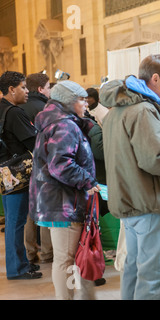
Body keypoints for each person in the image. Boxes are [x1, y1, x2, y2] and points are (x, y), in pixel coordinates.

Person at [100, 54, 160, 300]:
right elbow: (155, 159)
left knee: (133, 270)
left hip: (131, 201)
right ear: (155, 79)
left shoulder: (117, 110)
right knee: (151, 277)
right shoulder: (143, 110)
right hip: (148, 203)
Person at [29, 80, 100, 299]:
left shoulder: (58, 121)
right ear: (68, 102)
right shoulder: (63, 125)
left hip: (55, 201)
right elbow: (61, 165)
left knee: (65, 258)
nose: (85, 104)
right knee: (65, 259)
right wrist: (88, 182)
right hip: (63, 203)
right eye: (81, 100)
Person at [0, 71, 41, 280]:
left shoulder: (1, 109)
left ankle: (20, 263)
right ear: (11, 89)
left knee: (12, 221)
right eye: (23, 87)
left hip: (5, 173)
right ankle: (18, 268)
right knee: (16, 223)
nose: (27, 91)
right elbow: (33, 142)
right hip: (18, 173)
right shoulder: (14, 112)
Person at [19, 72, 53, 265]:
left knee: (30, 212)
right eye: (48, 87)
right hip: (43, 165)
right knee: (46, 209)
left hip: (25, 165)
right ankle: (48, 253)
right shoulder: (45, 108)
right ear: (40, 89)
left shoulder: (19, 106)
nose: (50, 91)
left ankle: (30, 252)